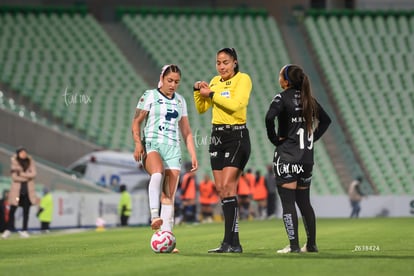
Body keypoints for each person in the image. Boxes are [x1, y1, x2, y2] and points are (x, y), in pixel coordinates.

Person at [265, 64, 331, 253]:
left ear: (285, 80)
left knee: (288, 202)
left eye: (280, 75)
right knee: (304, 202)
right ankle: (311, 245)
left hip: (287, 157)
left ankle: (293, 246)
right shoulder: (309, 99)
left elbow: (269, 118)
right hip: (306, 159)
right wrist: (313, 138)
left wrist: (274, 139)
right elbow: (326, 121)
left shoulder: (281, 97)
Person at [132, 64, 198, 252]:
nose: (173, 85)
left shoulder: (180, 101)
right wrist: (138, 144)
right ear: (162, 78)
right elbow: (136, 122)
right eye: (170, 80)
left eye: (177, 82)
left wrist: (193, 153)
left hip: (173, 150)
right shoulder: (150, 95)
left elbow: (186, 130)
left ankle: (167, 236)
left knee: (168, 196)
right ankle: (154, 217)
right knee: (157, 173)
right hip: (152, 145)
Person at [194, 47, 252, 253]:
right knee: (222, 190)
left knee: (228, 185)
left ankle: (229, 241)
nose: (221, 66)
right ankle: (233, 243)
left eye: (225, 62)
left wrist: (211, 94)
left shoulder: (243, 79)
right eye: (218, 62)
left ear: (235, 62)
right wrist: (197, 92)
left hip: (236, 136)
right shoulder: (214, 81)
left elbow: (238, 105)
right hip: (217, 136)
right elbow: (202, 109)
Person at [2, 147, 39, 239]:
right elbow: (15, 177)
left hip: (27, 192)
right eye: (21, 152)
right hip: (17, 192)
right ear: (18, 154)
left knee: (26, 211)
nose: (23, 154)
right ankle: (8, 230)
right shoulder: (14, 162)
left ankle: (24, 230)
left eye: (24, 152)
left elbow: (33, 174)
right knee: (12, 210)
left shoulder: (30, 162)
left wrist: (21, 174)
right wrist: (27, 176)